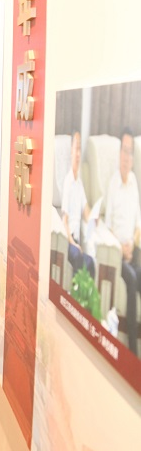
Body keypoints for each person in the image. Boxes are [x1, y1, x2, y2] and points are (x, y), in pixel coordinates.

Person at [103, 129, 141, 354]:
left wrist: (132, 245)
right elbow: (107, 227)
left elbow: (138, 225)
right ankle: (133, 352)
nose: (127, 157)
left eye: (130, 152)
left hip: (133, 251)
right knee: (132, 278)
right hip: (117, 255)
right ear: (119, 154)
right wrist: (121, 248)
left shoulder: (134, 182)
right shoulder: (113, 184)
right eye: (124, 151)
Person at [61, 131, 95, 279]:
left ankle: (87, 294)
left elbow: (86, 212)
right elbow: (64, 222)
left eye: (80, 149)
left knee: (91, 263)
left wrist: (95, 218)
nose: (78, 154)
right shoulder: (68, 183)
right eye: (76, 149)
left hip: (77, 242)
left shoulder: (79, 183)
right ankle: (75, 292)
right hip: (69, 242)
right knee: (78, 257)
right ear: (71, 152)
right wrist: (73, 244)